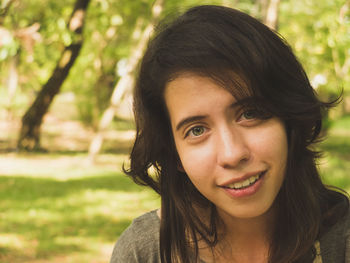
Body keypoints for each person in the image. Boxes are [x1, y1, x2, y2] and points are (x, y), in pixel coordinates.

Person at [110, 5, 350, 263]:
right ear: (175, 153)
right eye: (197, 130)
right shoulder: (144, 253)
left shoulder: (342, 242)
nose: (232, 154)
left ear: (288, 117)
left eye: (250, 113)